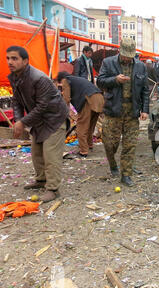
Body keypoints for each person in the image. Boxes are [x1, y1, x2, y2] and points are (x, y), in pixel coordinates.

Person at [7, 46, 69, 202]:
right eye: (8, 58)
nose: (10, 62)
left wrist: (23, 122)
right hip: (39, 120)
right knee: (37, 153)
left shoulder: (39, 78)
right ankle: (41, 180)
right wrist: (18, 120)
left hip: (54, 119)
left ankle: (53, 189)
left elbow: (43, 106)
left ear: (25, 61)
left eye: (14, 58)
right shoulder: (15, 77)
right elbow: (16, 101)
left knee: (51, 155)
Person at [97, 38, 149, 187]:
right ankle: (113, 165)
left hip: (131, 112)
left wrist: (145, 109)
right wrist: (115, 80)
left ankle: (126, 175)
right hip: (113, 110)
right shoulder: (108, 63)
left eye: (130, 56)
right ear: (120, 52)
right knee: (110, 143)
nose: (127, 58)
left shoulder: (140, 67)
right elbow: (100, 81)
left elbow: (145, 90)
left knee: (130, 144)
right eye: (125, 55)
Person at [55, 72, 105, 157]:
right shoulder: (76, 79)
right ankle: (89, 144)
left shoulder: (65, 80)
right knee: (90, 125)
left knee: (81, 127)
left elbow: (66, 98)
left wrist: (64, 112)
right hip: (99, 99)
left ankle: (83, 151)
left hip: (88, 100)